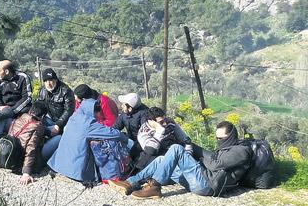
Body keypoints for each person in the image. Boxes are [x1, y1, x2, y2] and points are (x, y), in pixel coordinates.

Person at [110, 121, 253, 199]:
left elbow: (215, 165)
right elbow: (212, 158)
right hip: (200, 181)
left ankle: (154, 187)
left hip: (208, 185)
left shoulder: (241, 151)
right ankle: (130, 182)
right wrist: (191, 147)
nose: (219, 141)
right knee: (161, 159)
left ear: (231, 136)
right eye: (217, 138)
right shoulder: (226, 149)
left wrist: (195, 153)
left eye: (222, 138)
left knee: (177, 149)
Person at [47, 98, 128, 183]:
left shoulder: (74, 117)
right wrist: (125, 138)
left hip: (59, 164)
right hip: (75, 170)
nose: (98, 116)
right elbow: (113, 133)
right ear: (93, 112)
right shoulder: (89, 124)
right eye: (98, 113)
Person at [36, 68, 75, 160]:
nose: (49, 84)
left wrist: (58, 125)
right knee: (36, 125)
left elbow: (69, 111)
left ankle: (64, 156)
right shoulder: (43, 90)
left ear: (56, 80)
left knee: (67, 131)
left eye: (51, 80)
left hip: (65, 122)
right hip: (50, 119)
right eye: (46, 81)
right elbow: (39, 107)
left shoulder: (66, 91)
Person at [7, 101, 47, 185]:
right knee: (58, 139)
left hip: (11, 154)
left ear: (31, 110)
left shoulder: (21, 117)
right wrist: (26, 172)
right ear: (43, 116)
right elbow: (31, 148)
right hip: (21, 160)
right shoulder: (38, 125)